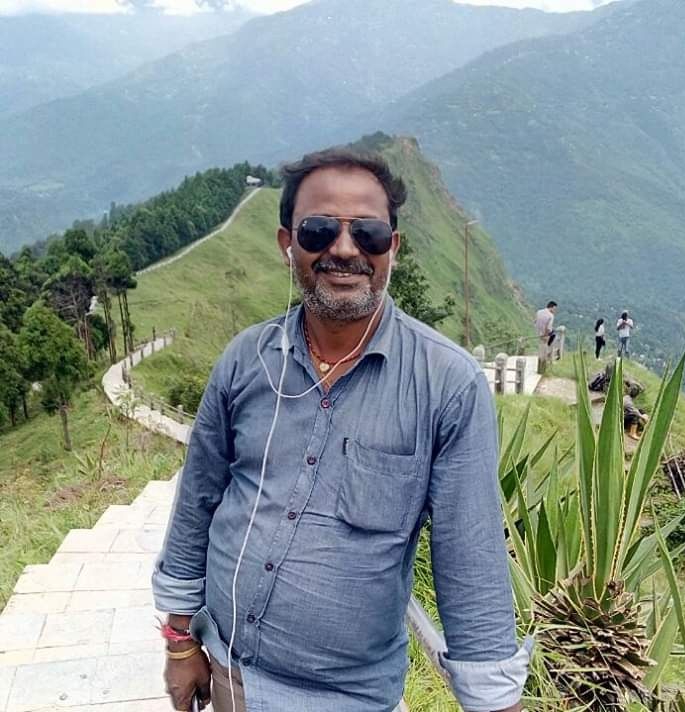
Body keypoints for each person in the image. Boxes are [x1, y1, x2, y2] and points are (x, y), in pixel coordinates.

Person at [152, 147, 530, 712]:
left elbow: (470, 563)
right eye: (320, 230)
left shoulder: (446, 384)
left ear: (393, 247)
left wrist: (493, 700)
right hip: (232, 674)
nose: (346, 249)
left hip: (350, 698)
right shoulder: (246, 360)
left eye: (368, 233)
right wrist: (181, 642)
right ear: (288, 243)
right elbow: (197, 503)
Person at [534, 300, 557, 371]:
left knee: (541, 346)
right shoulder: (551, 315)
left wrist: (539, 331)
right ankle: (545, 363)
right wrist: (547, 334)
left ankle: (542, 360)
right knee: (552, 336)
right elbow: (548, 328)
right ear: (552, 307)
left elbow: (535, 322)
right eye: (554, 308)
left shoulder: (539, 312)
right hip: (545, 334)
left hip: (538, 332)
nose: (555, 310)